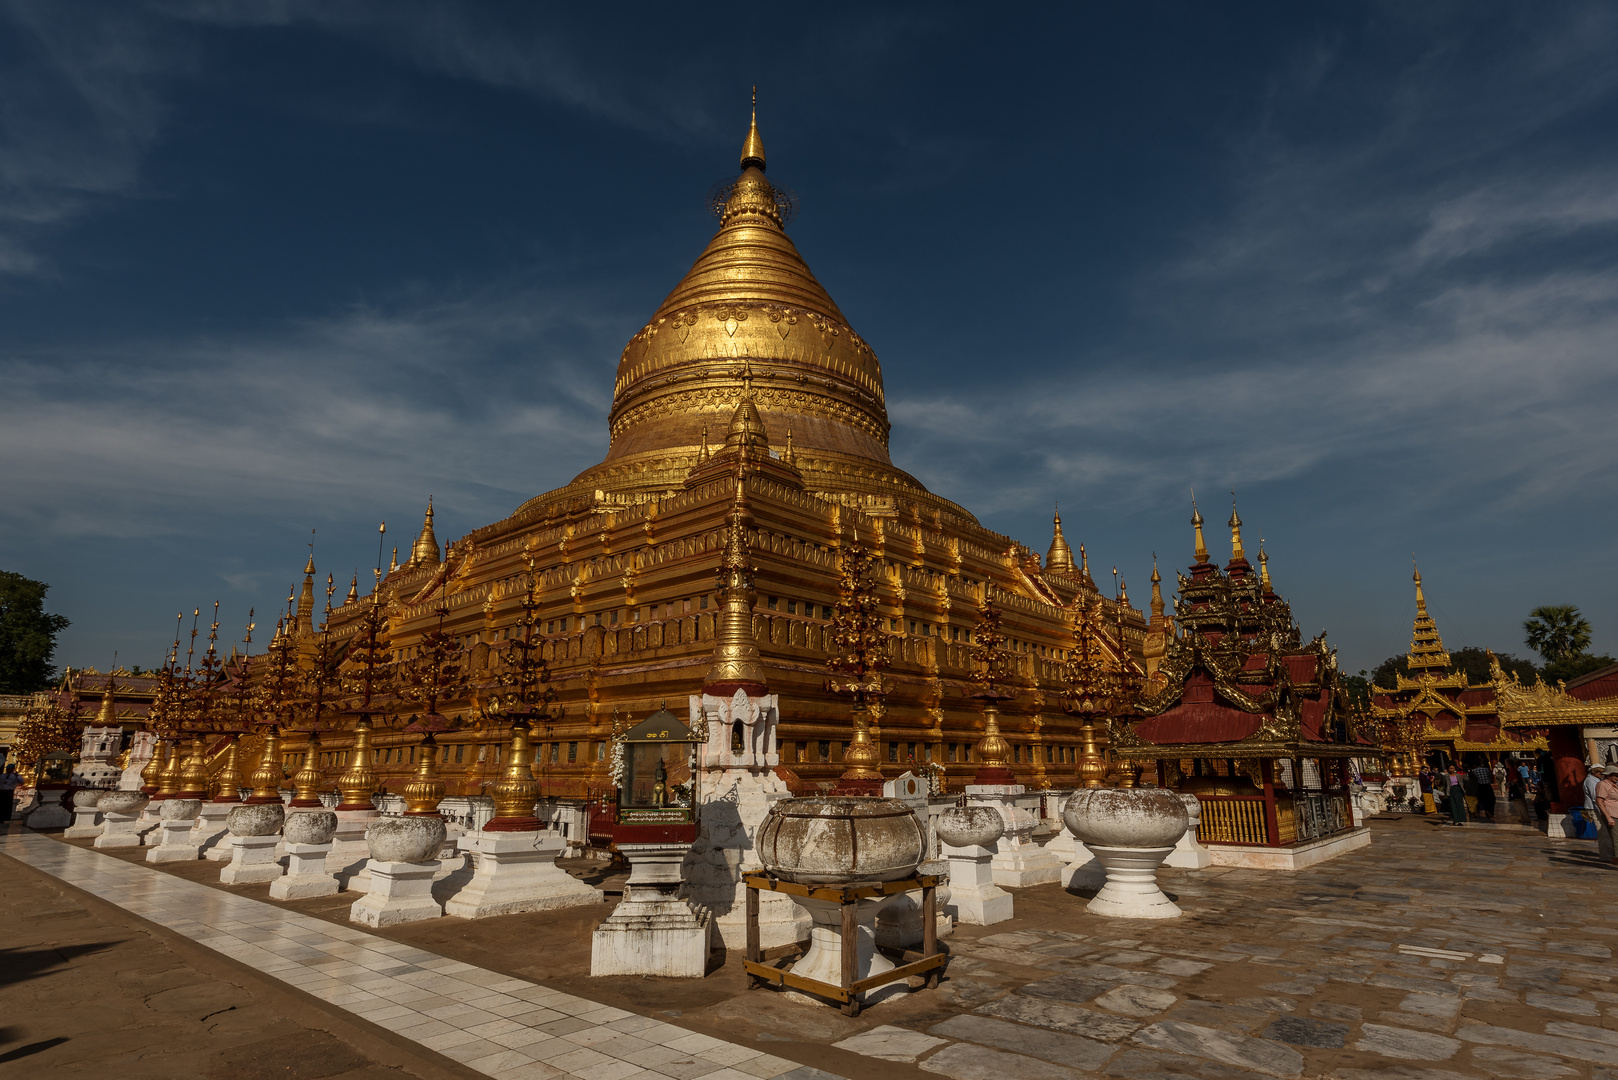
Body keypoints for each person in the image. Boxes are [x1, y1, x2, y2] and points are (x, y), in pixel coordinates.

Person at [1594, 765, 1618, 865]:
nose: (1617, 777)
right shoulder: (1603, 784)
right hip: (1610, 814)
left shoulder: (1613, 785)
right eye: (1615, 775)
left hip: (1616, 813)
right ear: (1609, 775)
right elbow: (1599, 801)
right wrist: (1608, 817)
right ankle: (1616, 857)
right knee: (1616, 837)